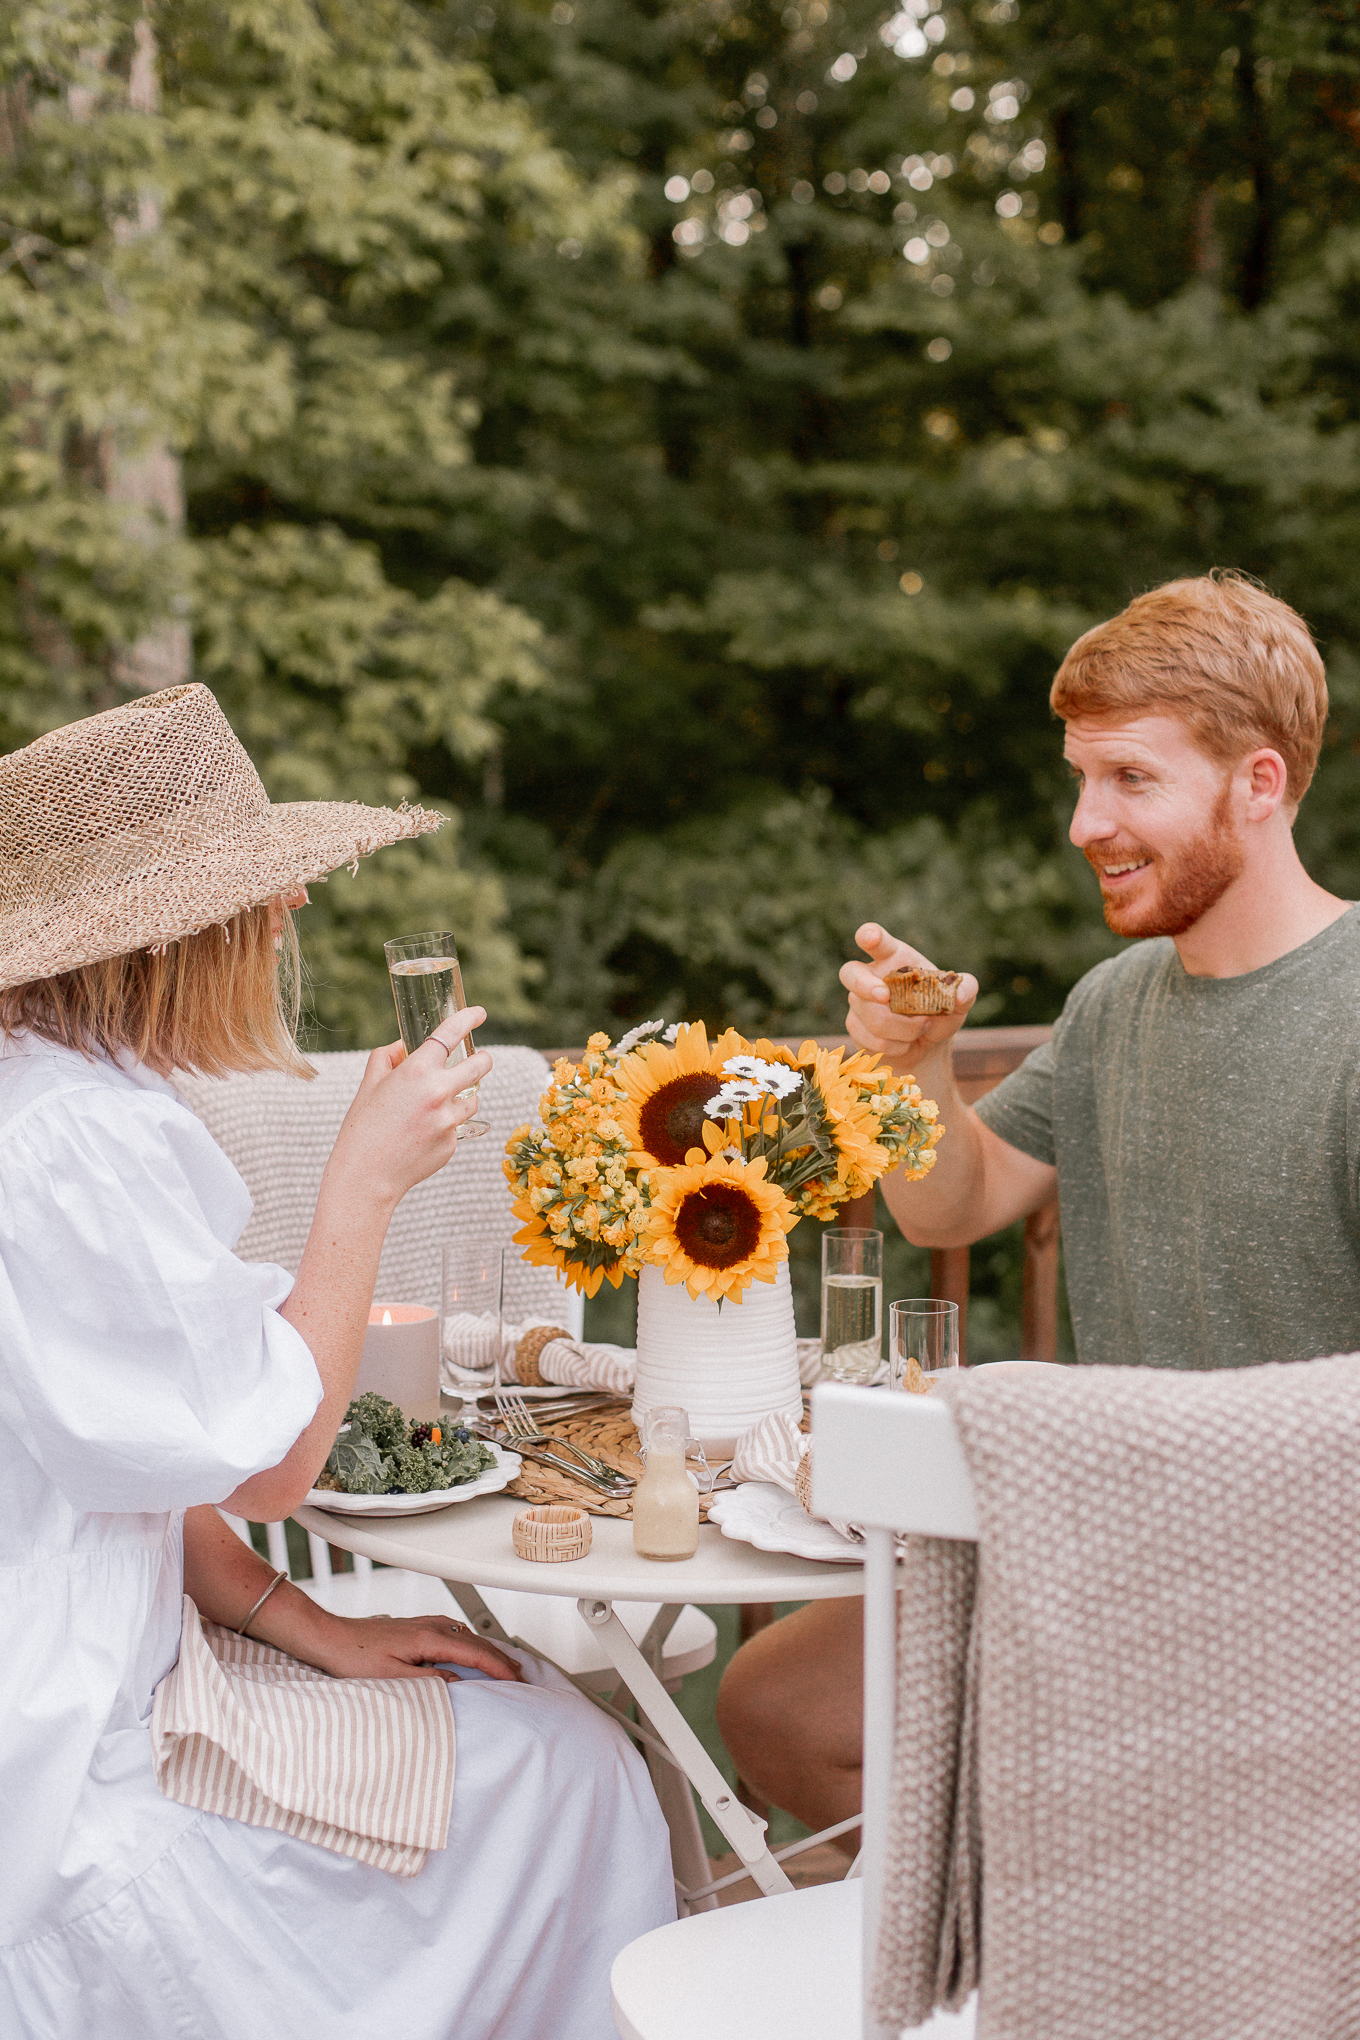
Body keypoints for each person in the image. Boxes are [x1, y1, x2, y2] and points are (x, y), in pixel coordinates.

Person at [0, 684, 673, 2040]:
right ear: (164, 933)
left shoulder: (64, 1099)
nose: (290, 911)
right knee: (579, 1772)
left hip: (131, 1664)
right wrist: (364, 1189)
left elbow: (139, 1448)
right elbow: (266, 1465)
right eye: (260, 887)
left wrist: (302, 1622)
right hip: (72, 1755)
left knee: (558, 1744)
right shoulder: (67, 1144)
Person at [717, 570, 1356, 1838]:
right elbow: (948, 1211)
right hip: (1100, 1555)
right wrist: (915, 1065)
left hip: (1300, 1598)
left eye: (1129, 780)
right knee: (776, 1708)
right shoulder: (1113, 1002)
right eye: (1079, 777)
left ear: (1260, 784)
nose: (1083, 822)